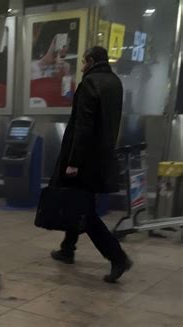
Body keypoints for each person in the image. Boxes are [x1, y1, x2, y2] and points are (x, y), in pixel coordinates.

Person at [49, 46, 132, 283]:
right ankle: (67, 248)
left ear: (92, 61)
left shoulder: (90, 83)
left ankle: (118, 257)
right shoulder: (115, 83)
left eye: (84, 61)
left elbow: (83, 126)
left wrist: (73, 161)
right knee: (77, 203)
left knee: (85, 211)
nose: (82, 66)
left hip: (84, 159)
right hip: (102, 157)